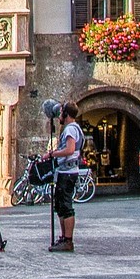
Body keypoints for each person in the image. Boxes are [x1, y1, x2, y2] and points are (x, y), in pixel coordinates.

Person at [44, 101, 85, 253]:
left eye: (61, 113)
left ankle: (68, 240)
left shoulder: (70, 129)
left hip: (67, 172)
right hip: (64, 172)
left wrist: (52, 154)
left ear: (66, 114)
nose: (59, 116)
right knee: (61, 205)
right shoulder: (72, 128)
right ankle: (64, 237)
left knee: (66, 206)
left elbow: (70, 149)